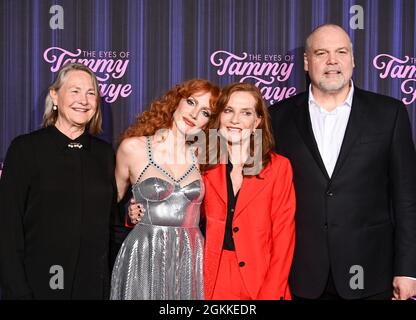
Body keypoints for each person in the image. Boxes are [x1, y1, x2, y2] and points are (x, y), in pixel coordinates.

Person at [269, 24, 416, 300]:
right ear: (306, 61)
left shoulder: (389, 113)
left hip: (371, 274)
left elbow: (407, 198)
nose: (332, 61)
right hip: (300, 275)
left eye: (341, 52)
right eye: (321, 53)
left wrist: (408, 270)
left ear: (353, 59)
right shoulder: (278, 117)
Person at [129, 82, 296, 300]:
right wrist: (136, 211)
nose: (235, 120)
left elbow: (284, 237)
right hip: (209, 279)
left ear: (257, 121)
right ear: (219, 117)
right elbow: (177, 205)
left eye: (245, 113)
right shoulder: (204, 164)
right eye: (228, 111)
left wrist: (271, 293)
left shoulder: (278, 167)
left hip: (261, 279)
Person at [0, 63, 117, 299]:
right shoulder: (26, 149)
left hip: (92, 288)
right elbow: (7, 229)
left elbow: (110, 225)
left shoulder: (104, 154)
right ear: (55, 96)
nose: (83, 100)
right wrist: (19, 293)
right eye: (74, 91)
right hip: (38, 286)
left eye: (91, 93)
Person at [110, 79, 220, 300]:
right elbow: (110, 206)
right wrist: (128, 214)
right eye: (191, 102)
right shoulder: (133, 148)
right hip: (144, 253)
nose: (194, 114)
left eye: (205, 112)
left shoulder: (206, 158)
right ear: (176, 101)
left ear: (209, 122)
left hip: (188, 256)